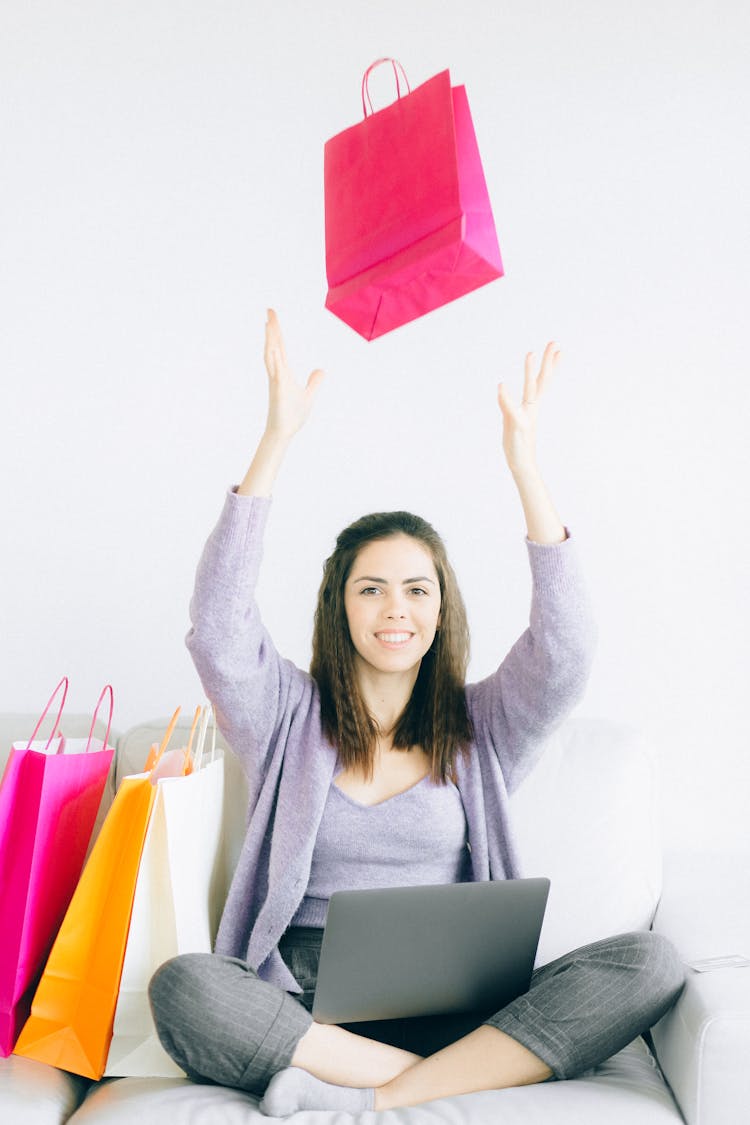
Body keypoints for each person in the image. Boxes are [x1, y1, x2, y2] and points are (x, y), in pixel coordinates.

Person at [149, 310, 685, 1114]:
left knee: (653, 961)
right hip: (304, 1008)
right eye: (371, 587)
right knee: (186, 985)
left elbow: (567, 650)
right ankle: (403, 1077)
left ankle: (374, 1091)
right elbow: (220, 624)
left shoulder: (486, 727)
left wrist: (526, 469)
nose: (395, 608)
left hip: (464, 1009)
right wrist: (275, 441)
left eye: (417, 588)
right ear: (340, 606)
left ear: (441, 610)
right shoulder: (284, 716)